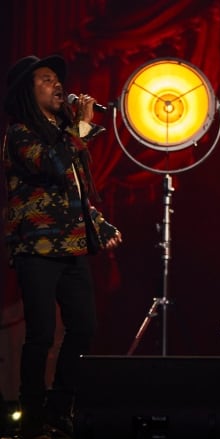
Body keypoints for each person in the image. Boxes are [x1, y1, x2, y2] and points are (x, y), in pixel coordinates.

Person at [2, 54, 122, 439]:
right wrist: (81, 128)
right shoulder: (20, 132)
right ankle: (32, 417)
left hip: (71, 246)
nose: (58, 85)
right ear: (27, 91)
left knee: (84, 327)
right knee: (40, 334)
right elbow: (50, 165)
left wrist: (99, 224)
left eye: (58, 78)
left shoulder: (66, 134)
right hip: (35, 247)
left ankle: (59, 409)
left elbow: (75, 192)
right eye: (46, 79)